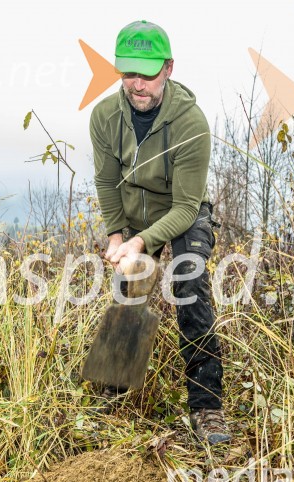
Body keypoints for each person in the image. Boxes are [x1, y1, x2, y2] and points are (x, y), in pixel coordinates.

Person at [88, 20, 231, 445]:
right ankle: (114, 393)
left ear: (168, 68)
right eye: (129, 72)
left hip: (184, 209)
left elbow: (185, 207)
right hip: (134, 212)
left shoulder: (190, 122)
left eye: (148, 74)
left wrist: (141, 241)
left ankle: (206, 407)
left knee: (189, 280)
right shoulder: (104, 117)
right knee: (129, 285)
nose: (138, 84)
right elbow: (106, 181)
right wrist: (118, 235)